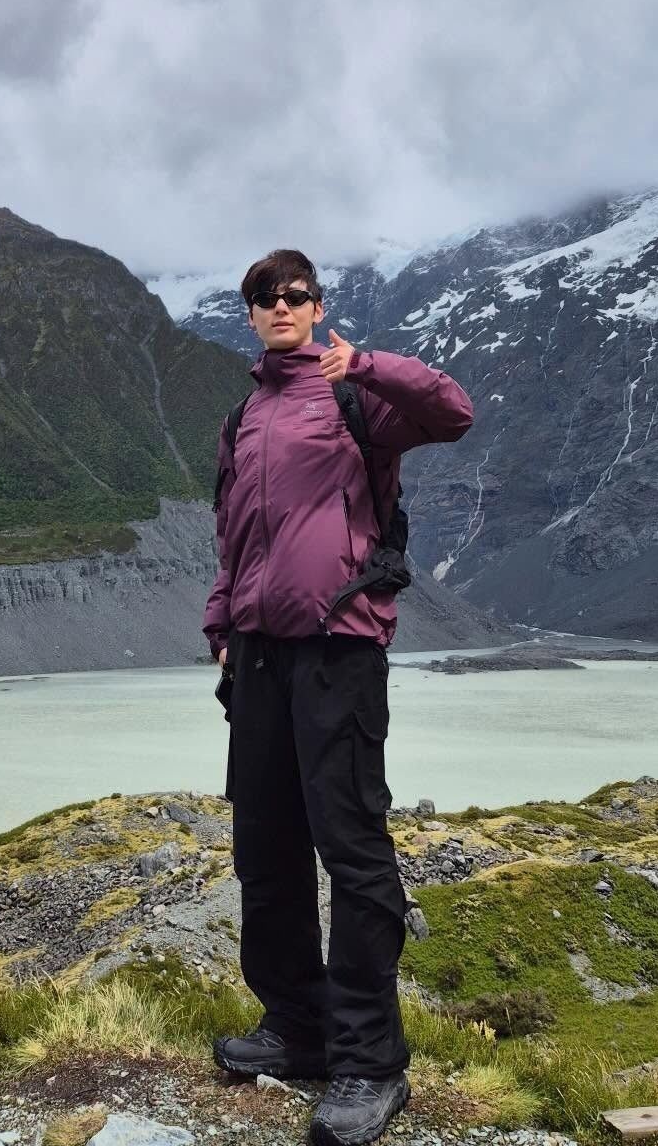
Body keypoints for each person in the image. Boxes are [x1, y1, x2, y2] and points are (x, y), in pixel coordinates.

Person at [204, 248, 474, 1146]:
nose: (281, 307)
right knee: (265, 848)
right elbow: (233, 535)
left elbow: (454, 410)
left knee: (352, 852)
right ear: (248, 315)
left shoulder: (358, 401)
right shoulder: (245, 416)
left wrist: (364, 364)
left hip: (339, 650)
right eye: (264, 298)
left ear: (318, 308)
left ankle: (370, 1062)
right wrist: (221, 630)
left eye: (295, 295)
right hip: (259, 658)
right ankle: (299, 1027)